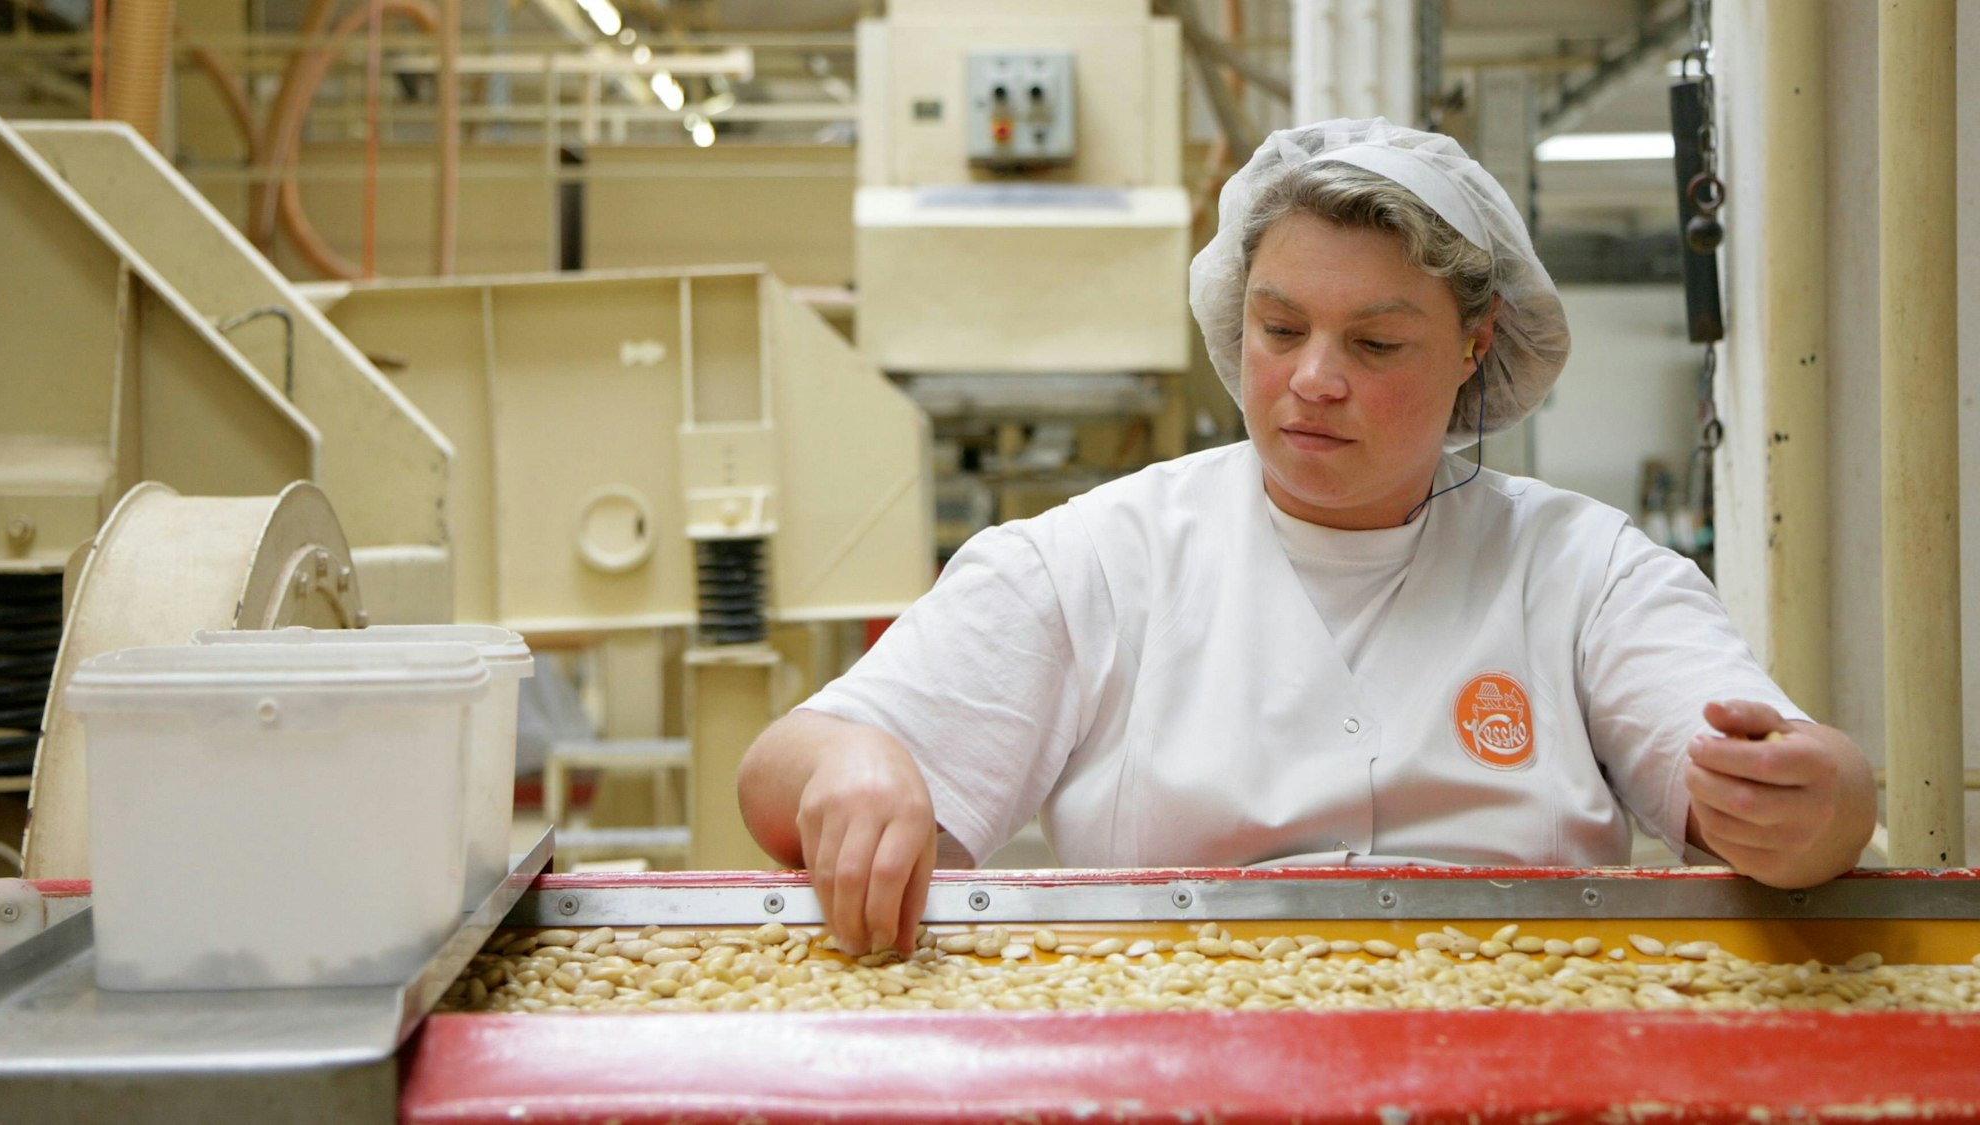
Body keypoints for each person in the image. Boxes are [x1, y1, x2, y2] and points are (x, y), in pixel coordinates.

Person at [737, 118, 1876, 957]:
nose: (1310, 382)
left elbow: (1753, 771)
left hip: (1528, 1050)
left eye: (1375, 345)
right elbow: (786, 765)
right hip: (1170, 1059)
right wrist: (852, 765)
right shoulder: (1098, 558)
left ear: (1474, 345)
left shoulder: (1581, 571)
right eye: (1278, 329)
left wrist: (1817, 805)